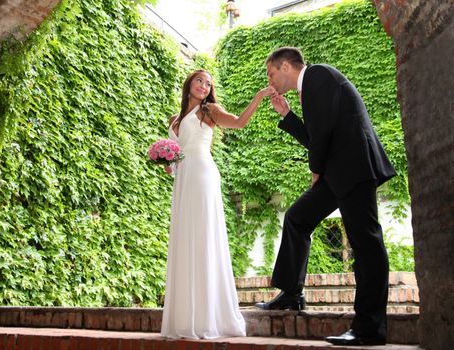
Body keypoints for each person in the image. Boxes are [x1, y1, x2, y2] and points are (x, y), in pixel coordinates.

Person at [255, 47, 396, 346]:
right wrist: (288, 115)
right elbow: (316, 136)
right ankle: (292, 294)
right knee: (297, 217)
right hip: (337, 171)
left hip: (354, 167)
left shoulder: (318, 74)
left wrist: (315, 169)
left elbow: (324, 133)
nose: (270, 80)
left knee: (366, 242)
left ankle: (369, 328)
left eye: (270, 73)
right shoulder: (311, 88)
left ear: (284, 66)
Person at [161, 69, 274, 339]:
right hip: (183, 179)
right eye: (200, 80)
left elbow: (238, 122)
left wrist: (258, 97)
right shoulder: (174, 119)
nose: (204, 85)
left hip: (201, 174)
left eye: (208, 83)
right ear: (189, 83)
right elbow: (176, 156)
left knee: (202, 237)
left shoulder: (208, 110)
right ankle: (185, 316)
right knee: (185, 238)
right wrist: (168, 163)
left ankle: (208, 317)